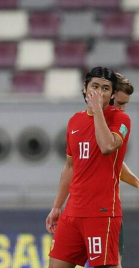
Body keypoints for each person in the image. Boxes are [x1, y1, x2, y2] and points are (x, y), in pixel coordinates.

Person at [46, 67, 130, 268]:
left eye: (105, 88)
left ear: (111, 94)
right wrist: (57, 206)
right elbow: (69, 167)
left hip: (101, 212)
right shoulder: (75, 120)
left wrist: (98, 111)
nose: (99, 92)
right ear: (85, 89)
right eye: (95, 86)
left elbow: (107, 146)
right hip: (72, 213)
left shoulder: (120, 119)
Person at [111, 72, 137, 268]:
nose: (123, 109)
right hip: (80, 209)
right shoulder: (82, 123)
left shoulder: (121, 123)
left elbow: (115, 164)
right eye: (119, 103)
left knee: (113, 263)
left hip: (108, 211)